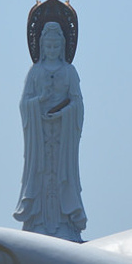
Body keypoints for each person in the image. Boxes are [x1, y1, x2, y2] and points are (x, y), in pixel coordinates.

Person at [14, 22, 87, 242]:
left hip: (63, 137)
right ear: (42, 46)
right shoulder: (35, 71)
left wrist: (64, 113)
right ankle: (38, 223)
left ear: (63, 47)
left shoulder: (69, 72)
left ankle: (65, 223)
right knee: (40, 173)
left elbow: (78, 103)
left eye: (56, 46)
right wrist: (39, 101)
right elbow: (24, 103)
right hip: (40, 136)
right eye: (49, 46)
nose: (52, 50)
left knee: (63, 175)